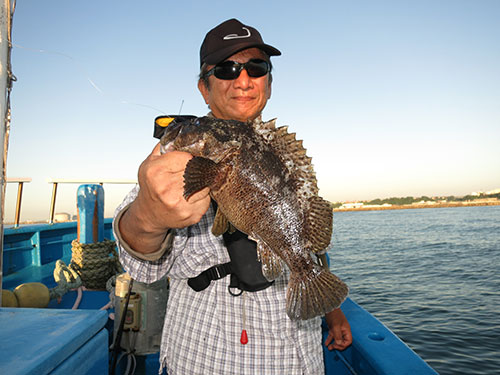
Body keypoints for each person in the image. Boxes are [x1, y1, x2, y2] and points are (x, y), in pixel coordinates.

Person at [113, 18, 352, 375]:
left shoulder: (279, 156)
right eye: (226, 69)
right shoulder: (176, 162)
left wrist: (332, 311)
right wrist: (147, 215)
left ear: (268, 84)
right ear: (204, 89)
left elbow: (305, 244)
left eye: (256, 67)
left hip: (299, 360)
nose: (242, 79)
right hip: (209, 360)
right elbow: (139, 265)